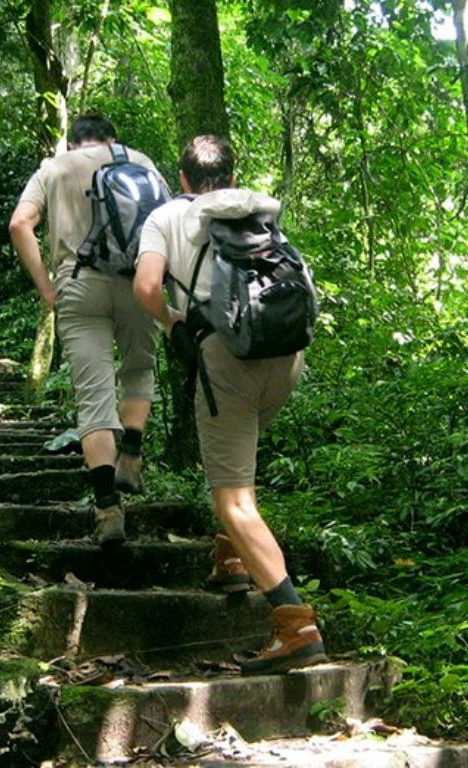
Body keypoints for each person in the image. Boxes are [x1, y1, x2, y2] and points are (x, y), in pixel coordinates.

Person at [133, 135, 326, 676]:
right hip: (286, 355)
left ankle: (295, 625)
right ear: (232, 174)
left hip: (228, 358)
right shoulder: (257, 213)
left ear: (185, 178)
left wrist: (172, 320)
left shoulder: (167, 216)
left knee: (233, 499)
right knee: (238, 465)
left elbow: (147, 286)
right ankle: (231, 559)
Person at [8, 114, 163, 545]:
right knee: (138, 368)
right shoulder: (141, 161)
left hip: (78, 285)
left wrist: (47, 288)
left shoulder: (54, 168)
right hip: (137, 282)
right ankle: (130, 452)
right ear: (111, 139)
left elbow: (19, 224)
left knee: (94, 397)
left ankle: (107, 508)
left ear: (71, 142)